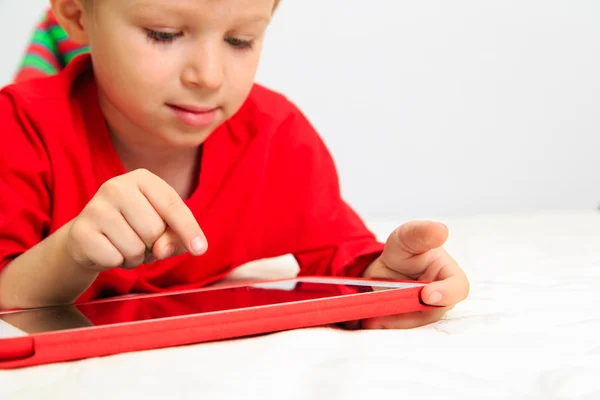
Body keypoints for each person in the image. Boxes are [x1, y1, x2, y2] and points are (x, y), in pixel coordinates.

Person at [0, 0, 469, 329]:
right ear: (76, 15)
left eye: (240, 40)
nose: (208, 76)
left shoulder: (275, 135)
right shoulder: (18, 127)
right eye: (163, 34)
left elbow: (344, 262)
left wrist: (392, 279)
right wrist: (71, 255)